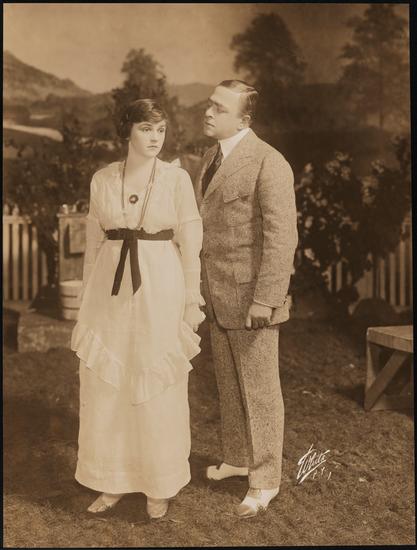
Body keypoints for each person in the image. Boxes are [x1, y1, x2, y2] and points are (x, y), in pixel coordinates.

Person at [71, 99, 205, 519]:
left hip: (159, 286)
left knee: (155, 380)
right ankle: (111, 481)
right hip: (108, 292)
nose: (154, 138)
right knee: (107, 383)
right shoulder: (102, 180)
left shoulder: (176, 179)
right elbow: (93, 244)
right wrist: (86, 301)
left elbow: (190, 244)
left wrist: (191, 298)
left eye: (160, 130)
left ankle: (157, 485)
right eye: (146, 128)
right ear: (126, 130)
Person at [195, 80, 298, 518]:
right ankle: (238, 459)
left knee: (259, 391)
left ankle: (265, 479)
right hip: (217, 294)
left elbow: (282, 238)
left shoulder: (269, 162)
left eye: (220, 108)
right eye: (210, 104)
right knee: (229, 384)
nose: (209, 112)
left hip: (252, 299)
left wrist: (266, 299)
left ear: (244, 119)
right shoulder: (209, 158)